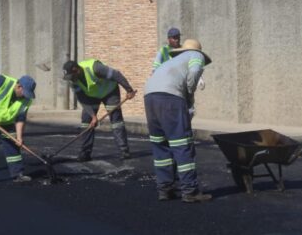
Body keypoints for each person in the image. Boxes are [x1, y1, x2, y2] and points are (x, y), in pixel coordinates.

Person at [144, 38, 212, 203]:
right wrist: (189, 94)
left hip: (149, 98)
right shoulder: (196, 55)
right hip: (171, 99)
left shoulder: (172, 61)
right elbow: (195, 71)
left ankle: (165, 190)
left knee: (161, 145)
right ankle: (190, 191)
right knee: (181, 144)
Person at [62, 59, 137, 161]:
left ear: (76, 70)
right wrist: (93, 116)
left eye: (72, 76)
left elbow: (116, 74)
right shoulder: (74, 82)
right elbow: (82, 99)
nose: (71, 79)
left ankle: (124, 151)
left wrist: (129, 90)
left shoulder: (95, 68)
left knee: (116, 122)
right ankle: (85, 153)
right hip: (91, 96)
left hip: (110, 92)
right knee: (86, 122)